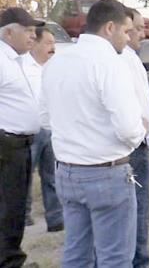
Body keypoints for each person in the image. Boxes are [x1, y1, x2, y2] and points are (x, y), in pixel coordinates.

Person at [40, 0, 146, 267]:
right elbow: (127, 128)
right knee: (114, 258)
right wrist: (139, 131)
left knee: (76, 254)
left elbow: (44, 117)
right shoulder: (111, 64)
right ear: (110, 28)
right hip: (106, 173)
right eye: (126, 31)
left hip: (67, 171)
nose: (128, 38)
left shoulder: (57, 63)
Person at [121, 8, 149, 267]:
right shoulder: (128, 59)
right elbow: (143, 108)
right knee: (137, 206)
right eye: (136, 28)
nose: (142, 34)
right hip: (134, 146)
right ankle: (139, 260)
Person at [0, 7, 44, 268]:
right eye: (27, 30)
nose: (33, 35)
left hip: (21, 145)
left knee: (16, 208)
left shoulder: (18, 60)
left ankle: (11, 258)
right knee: (8, 210)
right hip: (6, 144)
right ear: (7, 32)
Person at [22, 27, 64, 232]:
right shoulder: (21, 66)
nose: (53, 48)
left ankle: (55, 218)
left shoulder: (55, 67)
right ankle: (22, 217)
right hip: (28, 130)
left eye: (54, 43)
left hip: (52, 128)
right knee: (23, 176)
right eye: (48, 43)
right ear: (35, 43)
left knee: (53, 175)